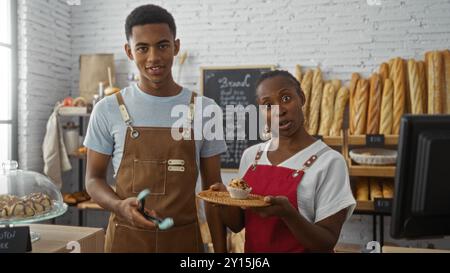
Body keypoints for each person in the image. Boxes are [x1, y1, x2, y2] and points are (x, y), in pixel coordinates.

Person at [84, 4, 228, 253]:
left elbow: (214, 194)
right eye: (142, 48)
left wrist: (221, 253)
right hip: (125, 243)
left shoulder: (206, 110)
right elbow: (93, 179)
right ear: (129, 51)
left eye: (162, 45)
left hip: (185, 244)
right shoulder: (107, 109)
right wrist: (119, 207)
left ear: (176, 46)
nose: (154, 58)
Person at [212, 70, 356, 253]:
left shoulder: (329, 162)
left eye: (286, 98)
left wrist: (288, 214)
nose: (279, 110)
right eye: (268, 105)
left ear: (302, 98)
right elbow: (238, 224)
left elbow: (326, 242)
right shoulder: (251, 156)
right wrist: (224, 200)